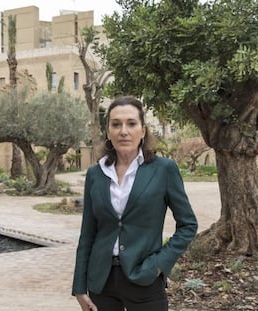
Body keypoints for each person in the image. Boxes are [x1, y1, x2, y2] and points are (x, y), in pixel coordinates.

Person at [72, 96, 198, 311]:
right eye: (116, 124)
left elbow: (188, 225)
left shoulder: (164, 169)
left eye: (131, 123)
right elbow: (88, 233)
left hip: (145, 279)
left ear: (143, 130)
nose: (123, 131)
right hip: (101, 282)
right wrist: (79, 286)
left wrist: (158, 265)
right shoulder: (96, 173)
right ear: (108, 132)